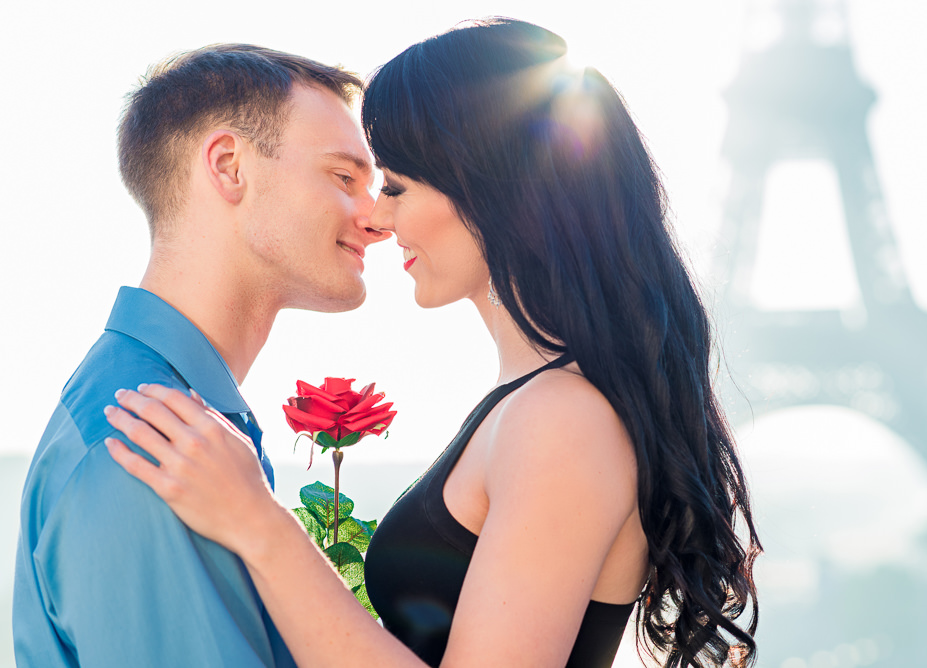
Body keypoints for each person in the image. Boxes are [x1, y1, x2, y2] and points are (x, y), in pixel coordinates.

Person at [104, 19, 762, 668]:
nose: (380, 219)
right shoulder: (536, 404)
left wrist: (261, 525)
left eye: (395, 186)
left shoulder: (562, 419)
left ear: (488, 190)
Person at [13, 44, 387, 666]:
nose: (379, 220)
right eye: (345, 178)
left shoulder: (180, 423)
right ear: (229, 166)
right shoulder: (148, 443)